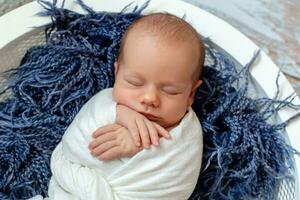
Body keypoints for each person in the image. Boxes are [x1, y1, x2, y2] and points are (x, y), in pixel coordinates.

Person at [32, 12, 205, 200]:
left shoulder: (186, 137)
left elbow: (175, 184)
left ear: (191, 94)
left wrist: (139, 145)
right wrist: (117, 112)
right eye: (134, 82)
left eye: (170, 91)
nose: (149, 98)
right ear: (117, 73)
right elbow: (73, 147)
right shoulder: (105, 104)